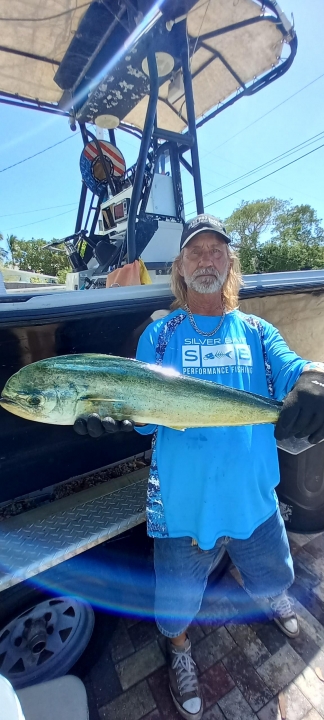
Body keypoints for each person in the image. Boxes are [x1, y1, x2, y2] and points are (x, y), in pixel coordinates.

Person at [74, 214, 324, 720]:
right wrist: (113, 416)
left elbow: (298, 367)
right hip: (182, 510)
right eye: (195, 251)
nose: (206, 259)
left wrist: (316, 380)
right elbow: (144, 421)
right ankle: (181, 649)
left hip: (255, 499)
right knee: (176, 603)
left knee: (274, 573)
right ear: (181, 269)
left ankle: (274, 598)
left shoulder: (257, 330)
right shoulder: (159, 335)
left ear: (230, 263)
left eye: (216, 250)